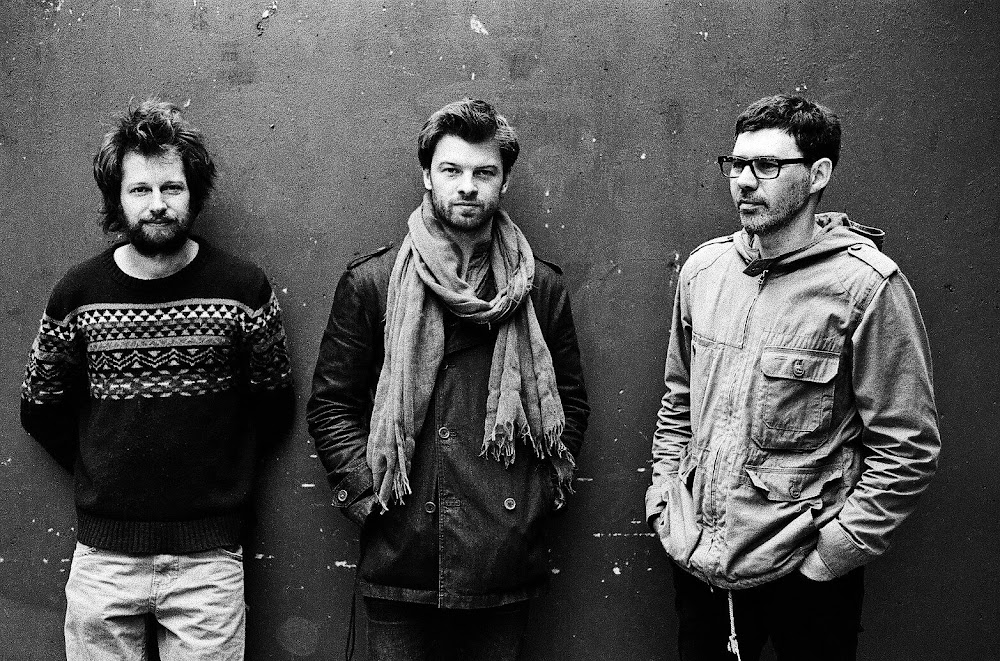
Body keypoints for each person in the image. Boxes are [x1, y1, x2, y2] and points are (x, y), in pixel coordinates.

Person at [645, 94, 940, 661]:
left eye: (767, 166)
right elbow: (678, 401)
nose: (743, 181)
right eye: (737, 164)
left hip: (806, 576)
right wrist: (666, 499)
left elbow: (908, 446)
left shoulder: (865, 287)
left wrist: (832, 554)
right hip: (701, 562)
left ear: (817, 175)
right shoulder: (705, 271)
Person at [307, 98, 589, 660]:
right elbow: (331, 405)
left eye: (484, 173)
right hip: (404, 552)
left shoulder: (540, 288)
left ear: (504, 181)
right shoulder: (374, 282)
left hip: (503, 552)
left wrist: (534, 500)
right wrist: (367, 497)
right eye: (451, 170)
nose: (467, 187)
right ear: (427, 176)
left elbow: (571, 403)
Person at [20, 99, 294, 660]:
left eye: (172, 187)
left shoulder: (242, 290)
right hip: (104, 560)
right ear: (116, 199)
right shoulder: (78, 294)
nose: (158, 204)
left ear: (194, 193)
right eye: (140, 190)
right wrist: (103, 468)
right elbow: (40, 407)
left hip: (208, 564)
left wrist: (216, 481)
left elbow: (274, 404)